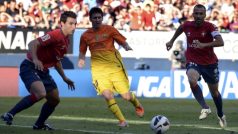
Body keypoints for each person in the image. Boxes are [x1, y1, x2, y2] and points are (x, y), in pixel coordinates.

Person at [1, 11, 77, 130]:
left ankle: (39, 124)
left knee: (54, 100)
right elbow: (33, 43)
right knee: (40, 93)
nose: (74, 27)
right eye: (71, 23)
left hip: (43, 71)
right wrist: (36, 59)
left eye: (75, 24)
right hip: (30, 66)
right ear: (62, 23)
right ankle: (9, 114)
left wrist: (64, 78)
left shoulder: (66, 41)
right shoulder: (55, 34)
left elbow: (56, 61)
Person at [78, 7, 144, 127]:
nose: (97, 20)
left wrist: (126, 46)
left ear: (102, 18)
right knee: (107, 95)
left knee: (126, 96)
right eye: (95, 18)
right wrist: (81, 60)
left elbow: (122, 41)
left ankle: (136, 103)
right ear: (90, 19)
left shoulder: (110, 30)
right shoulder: (85, 35)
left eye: (99, 17)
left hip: (115, 68)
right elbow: (82, 51)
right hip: (99, 71)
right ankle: (122, 121)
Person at [166, 4, 227, 128]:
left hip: (210, 63)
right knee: (191, 78)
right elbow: (180, 29)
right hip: (193, 60)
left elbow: (221, 42)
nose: (198, 16)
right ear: (193, 14)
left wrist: (204, 45)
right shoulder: (187, 25)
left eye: (201, 14)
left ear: (205, 15)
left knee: (214, 93)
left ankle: (220, 114)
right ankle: (205, 107)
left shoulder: (210, 27)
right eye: (196, 13)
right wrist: (171, 41)